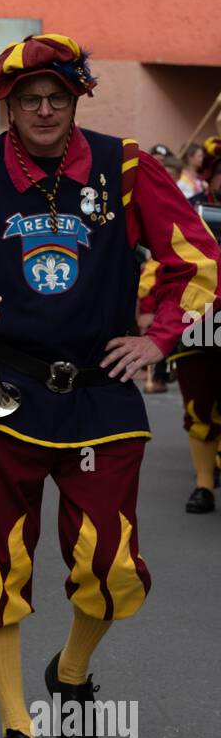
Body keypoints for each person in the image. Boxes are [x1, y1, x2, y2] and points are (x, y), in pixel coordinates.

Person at [0, 33, 220, 738]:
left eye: (59, 96)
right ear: (10, 105)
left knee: (111, 566)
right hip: (0, 394)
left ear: (76, 99)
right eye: (31, 99)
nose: (46, 110)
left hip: (99, 395)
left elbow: (197, 258)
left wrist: (157, 337)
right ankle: (16, 727)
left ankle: (70, 671)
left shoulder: (124, 166)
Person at [141, 136, 221, 512]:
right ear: (211, 177)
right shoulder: (191, 211)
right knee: (199, 405)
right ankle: (204, 485)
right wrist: (147, 306)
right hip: (202, 321)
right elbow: (163, 262)